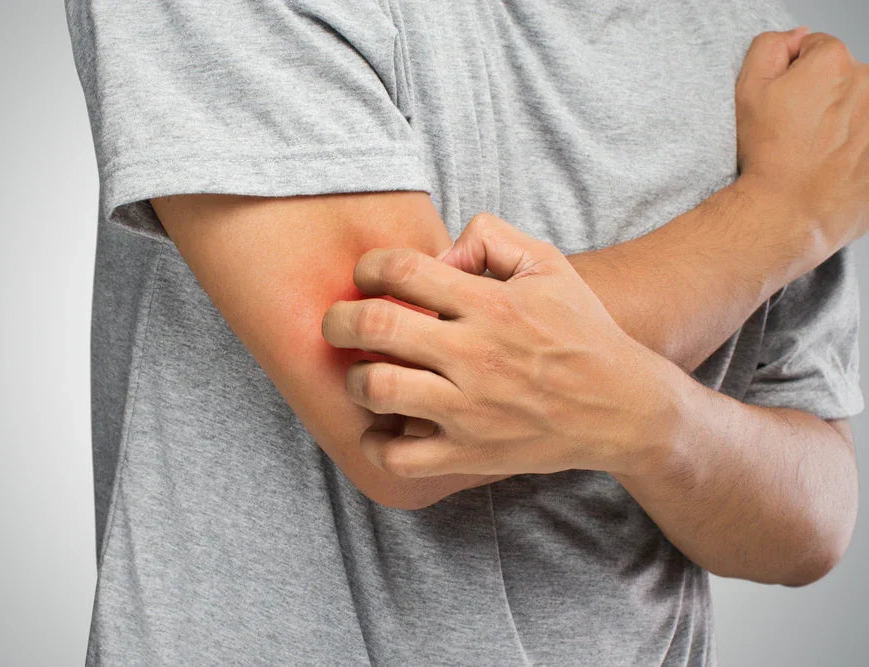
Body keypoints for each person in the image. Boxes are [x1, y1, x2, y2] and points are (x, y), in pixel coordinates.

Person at [64, 0, 868, 664]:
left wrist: (654, 422)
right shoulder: (795, 163)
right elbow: (401, 408)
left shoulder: (757, 49)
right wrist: (777, 216)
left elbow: (813, 518)